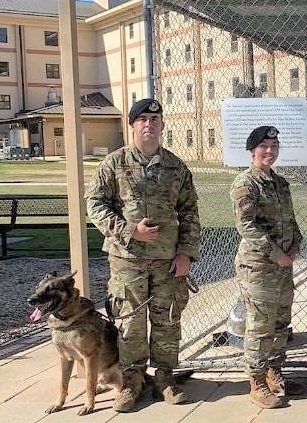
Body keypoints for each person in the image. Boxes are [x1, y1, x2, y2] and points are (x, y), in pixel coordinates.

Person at [86, 98, 200, 412]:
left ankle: (165, 378)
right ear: (133, 125)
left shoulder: (176, 167)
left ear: (162, 125)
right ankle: (131, 382)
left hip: (167, 261)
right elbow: (95, 205)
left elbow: (189, 212)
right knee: (129, 324)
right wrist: (128, 230)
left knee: (168, 321)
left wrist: (186, 254)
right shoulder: (114, 163)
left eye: (155, 119)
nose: (149, 124)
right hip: (127, 259)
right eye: (142, 119)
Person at [230, 126, 306, 408]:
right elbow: (246, 226)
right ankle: (257, 381)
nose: (270, 151)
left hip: (282, 266)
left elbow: (290, 219)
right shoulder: (245, 183)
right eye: (264, 146)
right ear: (252, 150)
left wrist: (297, 243)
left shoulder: (280, 183)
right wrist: (276, 254)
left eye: (274, 146)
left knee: (280, 323)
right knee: (260, 326)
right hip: (259, 267)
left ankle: (275, 373)